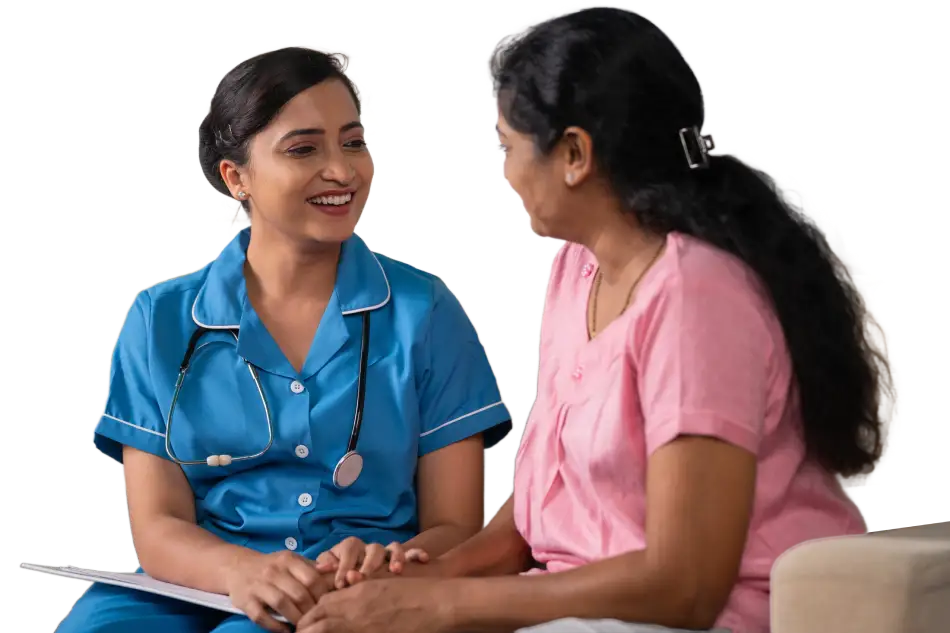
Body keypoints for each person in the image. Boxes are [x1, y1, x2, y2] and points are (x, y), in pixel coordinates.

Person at [290, 7, 902, 633]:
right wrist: (415, 580)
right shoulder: (577, 269)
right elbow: (529, 520)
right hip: (575, 608)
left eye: (510, 145)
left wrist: (444, 606)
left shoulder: (696, 297)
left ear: (575, 154)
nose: (508, 174)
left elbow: (683, 585)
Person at [55, 45, 513, 633]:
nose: (343, 171)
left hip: (358, 585)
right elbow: (159, 526)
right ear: (235, 176)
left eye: (353, 142)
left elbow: (456, 525)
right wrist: (242, 570)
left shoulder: (423, 312)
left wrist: (391, 566)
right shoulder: (161, 319)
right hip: (197, 585)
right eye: (303, 149)